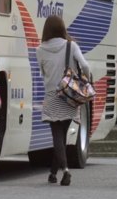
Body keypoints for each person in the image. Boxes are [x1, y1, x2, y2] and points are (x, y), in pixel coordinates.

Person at [35, 15, 91, 186]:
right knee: (62, 135)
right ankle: (54, 172)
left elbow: (42, 73)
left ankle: (64, 170)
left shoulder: (40, 49)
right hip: (69, 95)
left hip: (52, 95)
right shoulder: (71, 45)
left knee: (57, 135)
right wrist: (85, 80)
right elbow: (86, 66)